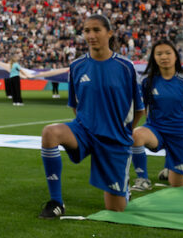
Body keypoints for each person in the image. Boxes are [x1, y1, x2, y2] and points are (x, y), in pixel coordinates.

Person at [38, 14, 143, 218]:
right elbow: (75, 105)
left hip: (114, 138)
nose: (91, 35)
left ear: (109, 33)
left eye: (96, 30)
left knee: (115, 209)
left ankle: (123, 186)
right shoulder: (77, 66)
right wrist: (86, 123)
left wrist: (125, 133)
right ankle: (56, 202)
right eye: (87, 30)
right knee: (50, 133)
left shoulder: (125, 67)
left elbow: (139, 109)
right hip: (84, 131)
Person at [130, 40, 183, 191]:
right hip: (156, 130)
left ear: (175, 56)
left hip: (180, 134)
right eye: (159, 54)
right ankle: (142, 180)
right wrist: (151, 121)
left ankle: (173, 167)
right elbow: (142, 107)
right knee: (136, 135)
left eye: (168, 53)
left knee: (177, 185)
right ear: (154, 57)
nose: (164, 57)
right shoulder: (146, 81)